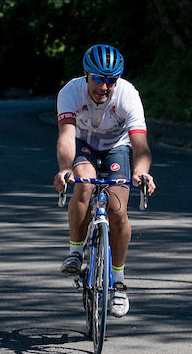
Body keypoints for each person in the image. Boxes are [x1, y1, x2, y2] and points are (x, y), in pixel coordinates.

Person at [53, 43, 156, 318]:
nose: (105, 86)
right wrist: (65, 169)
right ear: (86, 75)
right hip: (83, 144)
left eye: (111, 80)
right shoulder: (70, 92)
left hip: (116, 147)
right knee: (84, 182)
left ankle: (119, 283)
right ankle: (76, 252)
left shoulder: (128, 94)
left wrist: (142, 172)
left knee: (117, 211)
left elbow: (140, 144)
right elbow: (66, 136)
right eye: (98, 78)